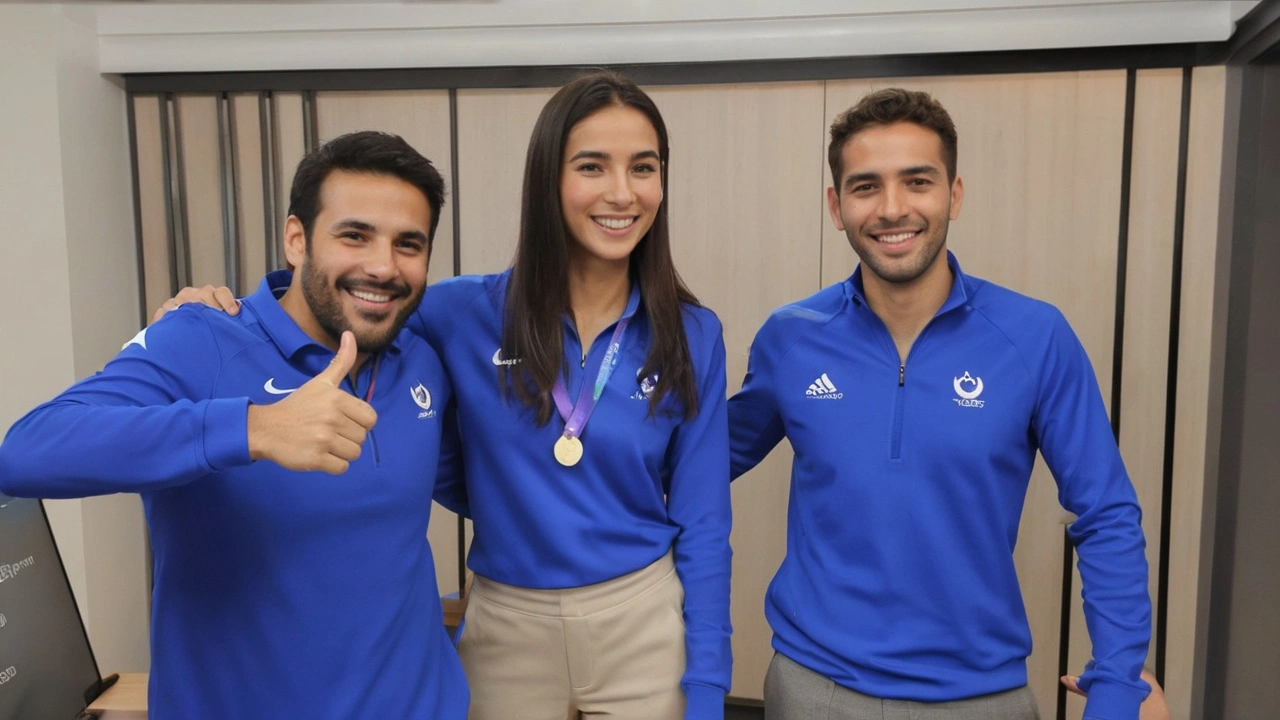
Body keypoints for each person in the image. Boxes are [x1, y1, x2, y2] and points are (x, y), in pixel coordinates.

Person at [158, 70, 733, 720]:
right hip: (506, 618)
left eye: (644, 167)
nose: (622, 192)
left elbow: (706, 525)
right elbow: (346, 301)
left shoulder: (692, 333)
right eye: (592, 166)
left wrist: (708, 688)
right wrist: (219, 310)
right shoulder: (458, 312)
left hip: (641, 616)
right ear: (549, 180)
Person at [0, 131, 468, 720]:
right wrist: (255, 429)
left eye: (409, 244)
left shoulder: (420, 356)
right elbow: (26, 451)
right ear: (296, 240)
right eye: (354, 234)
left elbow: (498, 491)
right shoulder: (201, 338)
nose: (382, 266)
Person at [728, 88, 1152, 719]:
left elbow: (1107, 513)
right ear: (836, 206)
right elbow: (695, 463)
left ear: (954, 194)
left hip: (981, 696)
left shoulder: (1035, 337)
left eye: (917, 181)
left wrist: (1118, 686)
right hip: (812, 688)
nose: (892, 208)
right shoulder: (792, 337)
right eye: (865, 186)